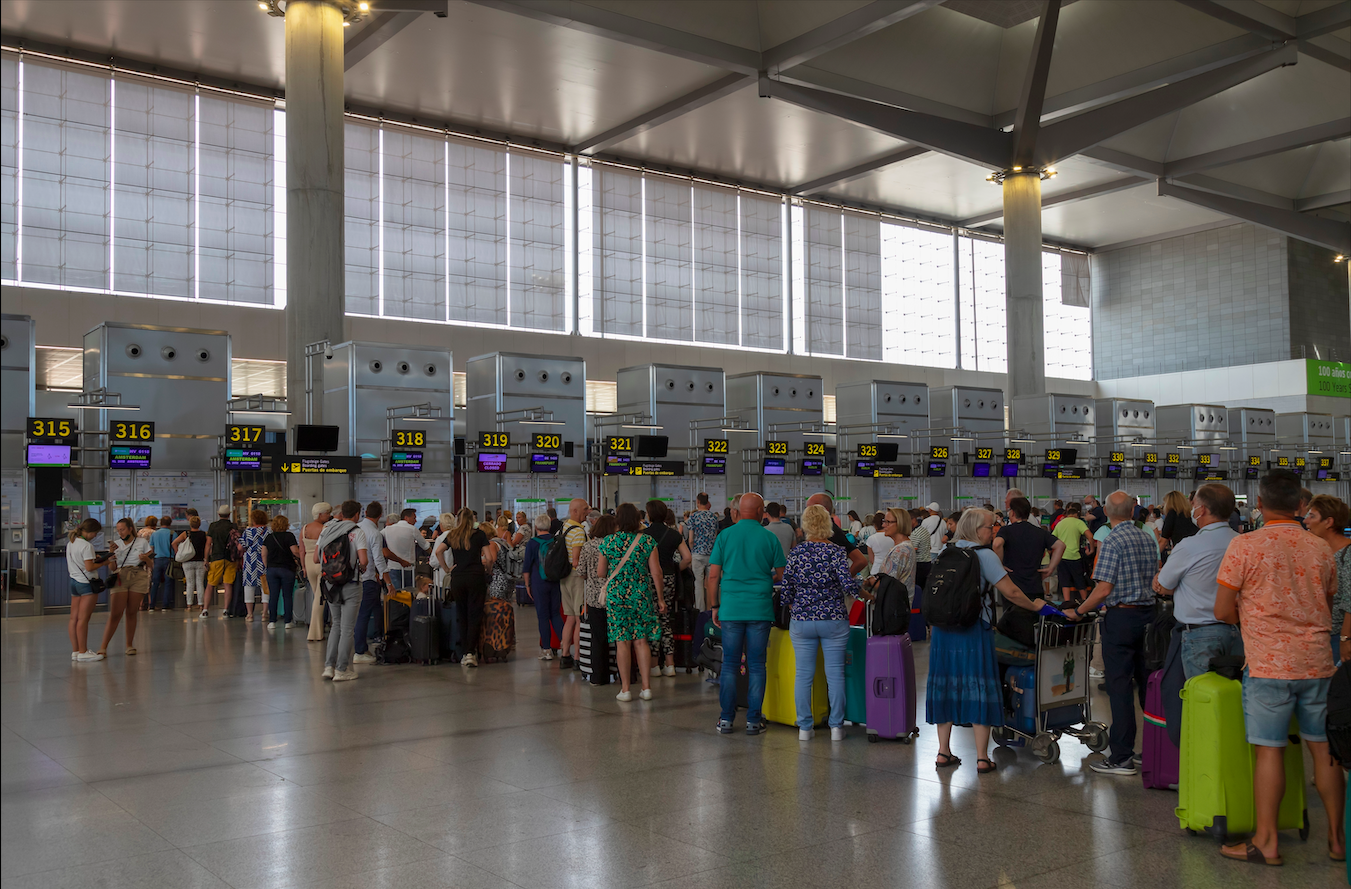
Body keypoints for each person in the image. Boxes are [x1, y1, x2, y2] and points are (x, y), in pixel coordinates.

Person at [1213, 470, 1345, 865]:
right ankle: (1339, 841)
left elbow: (1222, 609)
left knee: (1269, 752)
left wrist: (1256, 619)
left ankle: (1267, 842)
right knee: (1325, 752)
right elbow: (1328, 597)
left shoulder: (1245, 545)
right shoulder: (1321, 547)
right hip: (1319, 662)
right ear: (1301, 505)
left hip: (1269, 665)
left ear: (1258, 502)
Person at [927, 509, 1044, 773]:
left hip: (944, 632)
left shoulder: (947, 552)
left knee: (944, 685)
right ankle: (982, 758)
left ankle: (943, 752)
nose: (994, 531)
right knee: (979, 685)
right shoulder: (984, 555)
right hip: (974, 630)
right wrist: (1035, 606)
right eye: (991, 527)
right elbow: (1011, 592)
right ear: (977, 529)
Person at [1064, 491, 1159, 776]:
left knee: (1118, 686)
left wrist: (1079, 611)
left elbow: (1103, 589)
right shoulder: (1147, 536)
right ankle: (1152, 750)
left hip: (1121, 617)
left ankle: (1121, 756)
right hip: (1149, 616)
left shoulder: (1113, 540)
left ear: (1105, 512)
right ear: (1133, 511)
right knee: (1147, 686)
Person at [707, 493, 786, 735]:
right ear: (762, 511)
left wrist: (714, 606)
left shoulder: (725, 535)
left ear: (739, 510)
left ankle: (727, 719)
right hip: (760, 610)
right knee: (757, 665)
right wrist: (765, 579)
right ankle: (753, 720)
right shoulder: (769, 537)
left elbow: (713, 576)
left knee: (730, 664)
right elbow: (782, 575)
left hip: (730, 609)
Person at [780, 504, 860, 741]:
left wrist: (797, 604)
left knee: (803, 675)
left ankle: (805, 728)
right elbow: (848, 585)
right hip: (833, 619)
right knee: (835, 674)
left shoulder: (796, 554)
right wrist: (865, 588)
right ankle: (836, 727)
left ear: (805, 526)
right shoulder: (836, 552)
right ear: (828, 525)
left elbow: (786, 593)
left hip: (802, 620)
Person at [1153, 484, 1242, 680]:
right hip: (1236, 630)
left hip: (1199, 634)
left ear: (1201, 510)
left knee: (1202, 696)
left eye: (1193, 504)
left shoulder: (1190, 545)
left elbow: (1164, 585)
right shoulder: (1242, 543)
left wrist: (1163, 581)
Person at [597, 502, 665, 701]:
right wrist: (660, 598)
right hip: (641, 595)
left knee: (622, 642)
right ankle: (646, 688)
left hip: (617, 596)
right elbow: (657, 572)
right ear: (638, 520)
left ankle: (625, 689)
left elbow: (601, 572)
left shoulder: (608, 542)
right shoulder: (647, 541)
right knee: (641, 640)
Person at [319, 500, 368, 681]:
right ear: (357, 514)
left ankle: (328, 667)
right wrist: (361, 567)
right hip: (351, 583)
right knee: (348, 629)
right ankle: (342, 669)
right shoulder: (356, 532)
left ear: (341, 513)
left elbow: (318, 558)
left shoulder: (327, 530)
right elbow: (363, 560)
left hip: (330, 583)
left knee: (335, 626)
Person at [641, 500, 691, 677]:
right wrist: (675, 569)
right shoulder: (673, 534)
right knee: (665, 619)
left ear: (649, 514)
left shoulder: (643, 534)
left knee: (652, 621)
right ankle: (670, 663)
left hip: (648, 579)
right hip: (669, 579)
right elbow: (687, 557)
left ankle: (654, 664)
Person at [438, 508, 490, 667]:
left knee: (461, 614)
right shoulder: (480, 535)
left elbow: (438, 551)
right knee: (475, 615)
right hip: (476, 578)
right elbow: (489, 557)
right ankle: (470, 653)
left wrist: (447, 569)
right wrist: (488, 569)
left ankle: (462, 652)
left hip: (458, 578)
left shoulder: (452, 535)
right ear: (472, 520)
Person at [95, 517, 152, 657]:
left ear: (130, 529)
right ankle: (103, 647)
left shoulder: (142, 542)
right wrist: (111, 554)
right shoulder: (116, 545)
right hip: (120, 575)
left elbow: (151, 565)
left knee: (132, 612)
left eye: (123, 529)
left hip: (138, 575)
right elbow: (112, 567)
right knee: (115, 613)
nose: (120, 533)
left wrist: (146, 559)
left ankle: (129, 645)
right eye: (118, 530)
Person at [1306, 495, 1351, 666]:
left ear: (1329, 522)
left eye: (1312, 516)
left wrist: (1345, 639)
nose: (1306, 521)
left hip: (1339, 636)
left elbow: (1350, 600)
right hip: (1323, 634)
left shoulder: (1347, 554)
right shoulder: (1321, 552)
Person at [993, 497, 1064, 602]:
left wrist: (1000, 565)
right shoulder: (1040, 532)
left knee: (1012, 617)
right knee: (1034, 616)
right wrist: (1050, 568)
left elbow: (997, 544)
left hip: (1012, 587)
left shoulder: (1006, 531)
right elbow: (1060, 545)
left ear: (1012, 513)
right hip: (1035, 586)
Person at [352, 502, 393, 663]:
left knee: (359, 614)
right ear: (380, 515)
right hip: (368, 579)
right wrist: (388, 583)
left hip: (354, 578)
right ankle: (360, 651)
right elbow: (379, 560)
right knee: (363, 615)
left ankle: (365, 644)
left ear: (365, 512)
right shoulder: (375, 533)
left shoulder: (355, 529)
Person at [67, 518, 113, 661]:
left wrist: (94, 559)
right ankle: (83, 652)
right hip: (87, 584)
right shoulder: (87, 546)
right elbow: (89, 567)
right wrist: (104, 562)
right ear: (90, 531)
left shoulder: (71, 542)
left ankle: (75, 651)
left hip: (74, 582)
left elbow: (82, 561)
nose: (95, 536)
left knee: (73, 618)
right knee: (84, 619)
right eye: (95, 533)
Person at [523, 513, 564, 661]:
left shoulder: (533, 543)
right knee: (556, 614)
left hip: (539, 582)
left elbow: (526, 566)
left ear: (536, 527)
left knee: (543, 616)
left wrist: (528, 585)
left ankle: (546, 650)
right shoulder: (557, 540)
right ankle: (564, 645)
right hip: (555, 582)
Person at [559, 498, 590, 669]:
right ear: (575, 511)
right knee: (580, 619)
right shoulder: (578, 531)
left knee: (569, 617)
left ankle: (565, 655)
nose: (588, 511)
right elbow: (576, 561)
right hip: (576, 578)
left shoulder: (564, 527)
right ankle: (578, 656)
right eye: (585, 509)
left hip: (564, 577)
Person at [805, 493, 867, 575]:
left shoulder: (833, 533)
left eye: (812, 510)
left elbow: (861, 561)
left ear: (825, 511)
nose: (807, 514)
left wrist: (841, 580)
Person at [865, 507, 915, 607]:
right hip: (900, 605)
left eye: (888, 522)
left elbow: (887, 584)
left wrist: (869, 581)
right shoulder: (906, 546)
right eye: (884, 521)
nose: (883, 525)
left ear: (899, 523)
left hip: (893, 607)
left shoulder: (899, 551)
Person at [261, 514, 301, 629]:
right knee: (287, 596)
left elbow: (263, 553)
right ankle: (288, 621)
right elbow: (295, 551)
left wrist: (267, 566)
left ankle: (272, 621)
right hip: (287, 569)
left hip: (272, 569)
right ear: (286, 525)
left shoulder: (269, 537)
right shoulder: (289, 536)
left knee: (273, 596)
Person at [300, 501, 331, 641]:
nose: (329, 516)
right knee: (320, 599)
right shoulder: (325, 528)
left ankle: (317, 632)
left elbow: (301, 549)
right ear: (320, 514)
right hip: (320, 563)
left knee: (317, 597)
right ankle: (314, 633)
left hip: (308, 562)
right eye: (327, 513)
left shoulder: (304, 528)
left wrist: (304, 567)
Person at [1051, 502, 1092, 605]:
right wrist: (1090, 550)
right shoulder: (1078, 522)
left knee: (1065, 582)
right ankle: (1085, 602)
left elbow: (1052, 539)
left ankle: (1067, 603)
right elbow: (1090, 536)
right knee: (1080, 581)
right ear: (1076, 514)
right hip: (1074, 556)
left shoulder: (1060, 523)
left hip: (1061, 556)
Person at [685, 492, 720, 611]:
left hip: (697, 554)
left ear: (698, 502)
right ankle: (712, 608)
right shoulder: (714, 517)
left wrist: (692, 550)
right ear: (707, 501)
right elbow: (715, 536)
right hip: (712, 555)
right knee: (712, 583)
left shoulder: (693, 517)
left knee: (698, 584)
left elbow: (690, 539)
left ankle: (700, 610)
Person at [203, 504, 237, 619]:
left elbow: (208, 544)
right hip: (230, 559)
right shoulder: (233, 526)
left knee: (210, 585)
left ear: (218, 514)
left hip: (216, 558)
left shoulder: (213, 526)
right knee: (228, 584)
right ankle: (226, 610)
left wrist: (206, 559)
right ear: (229, 514)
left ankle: (205, 610)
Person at [383, 507, 431, 590]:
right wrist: (434, 555)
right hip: (409, 568)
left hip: (392, 568)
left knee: (396, 595)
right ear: (406, 518)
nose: (415, 521)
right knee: (409, 594)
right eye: (414, 518)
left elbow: (377, 541)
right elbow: (425, 546)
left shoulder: (387, 530)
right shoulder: (413, 529)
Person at [173, 516, 208, 615]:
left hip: (188, 561)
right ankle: (201, 604)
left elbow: (174, 543)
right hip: (200, 561)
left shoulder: (186, 534)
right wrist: (206, 559)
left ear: (190, 524)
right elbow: (207, 547)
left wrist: (178, 554)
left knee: (189, 583)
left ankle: (189, 605)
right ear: (199, 524)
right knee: (200, 583)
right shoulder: (204, 534)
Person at [239, 509, 269, 622]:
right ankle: (264, 613)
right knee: (265, 587)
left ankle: (250, 614)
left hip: (250, 562)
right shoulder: (268, 531)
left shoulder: (248, 532)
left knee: (249, 587)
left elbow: (240, 547)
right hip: (264, 559)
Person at [149, 514, 176, 612]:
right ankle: (165, 605)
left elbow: (151, 548)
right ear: (170, 523)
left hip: (157, 559)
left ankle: (152, 605)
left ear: (160, 523)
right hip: (169, 560)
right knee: (168, 582)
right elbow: (175, 547)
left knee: (155, 583)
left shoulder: (154, 534)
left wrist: (151, 561)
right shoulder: (173, 533)